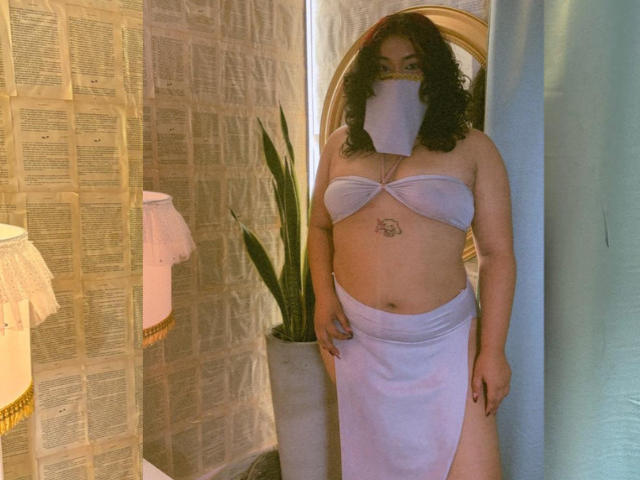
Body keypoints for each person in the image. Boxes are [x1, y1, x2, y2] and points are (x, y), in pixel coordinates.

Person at [307, 12, 516, 480]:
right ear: (366, 78)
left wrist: (493, 350)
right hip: (357, 339)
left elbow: (498, 255)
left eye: (411, 66)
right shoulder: (341, 145)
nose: (396, 79)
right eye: (383, 68)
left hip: (446, 342)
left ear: (434, 73)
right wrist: (323, 297)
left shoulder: (474, 148)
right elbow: (319, 227)